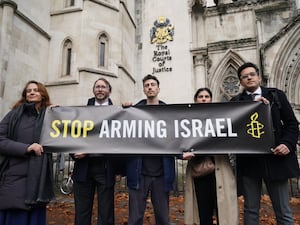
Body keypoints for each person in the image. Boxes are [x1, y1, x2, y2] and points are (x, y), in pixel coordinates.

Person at [231, 62, 300, 225]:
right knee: (251, 210)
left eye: (252, 74)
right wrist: (252, 108)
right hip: (250, 163)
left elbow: (292, 124)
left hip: (276, 160)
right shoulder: (236, 102)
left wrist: (287, 144)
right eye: (244, 77)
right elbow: (232, 130)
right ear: (240, 82)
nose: (249, 78)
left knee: (283, 211)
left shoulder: (276, 95)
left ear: (259, 76)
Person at [0, 80, 55, 225]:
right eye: (28, 90)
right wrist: (26, 148)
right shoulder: (14, 115)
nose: (31, 92)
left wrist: (59, 114)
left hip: (39, 180)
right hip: (15, 177)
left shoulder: (50, 115)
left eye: (36, 90)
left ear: (43, 94)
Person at [125, 74, 175, 225]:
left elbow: (176, 138)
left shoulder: (170, 113)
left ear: (158, 89)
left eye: (153, 84)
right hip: (139, 172)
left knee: (162, 217)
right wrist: (125, 109)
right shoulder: (133, 112)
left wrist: (182, 153)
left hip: (161, 173)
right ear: (144, 90)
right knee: (135, 217)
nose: (150, 87)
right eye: (147, 85)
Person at [184, 88, 239, 225]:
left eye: (207, 96)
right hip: (199, 171)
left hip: (219, 167)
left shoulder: (221, 116)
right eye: (200, 96)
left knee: (223, 209)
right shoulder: (187, 118)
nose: (204, 99)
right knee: (203, 211)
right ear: (196, 100)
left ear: (211, 99)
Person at [72, 78, 118, 225]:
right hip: (83, 167)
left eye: (103, 87)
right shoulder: (81, 112)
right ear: (93, 90)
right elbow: (71, 136)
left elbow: (120, 141)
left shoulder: (119, 113)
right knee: (82, 211)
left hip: (106, 168)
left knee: (106, 213)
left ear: (109, 91)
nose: (100, 89)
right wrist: (74, 153)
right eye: (97, 87)